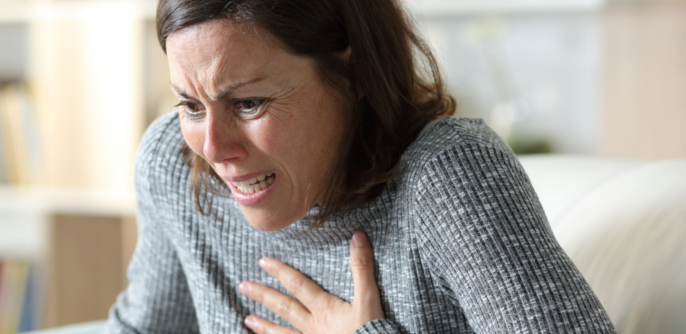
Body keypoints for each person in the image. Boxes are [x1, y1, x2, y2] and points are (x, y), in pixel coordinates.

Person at [105, 0, 617, 333]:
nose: (213, 148)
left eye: (248, 104)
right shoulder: (174, 162)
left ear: (352, 75)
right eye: (191, 106)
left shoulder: (447, 178)